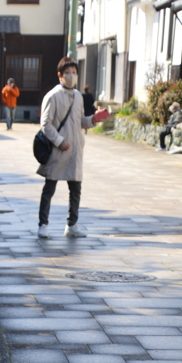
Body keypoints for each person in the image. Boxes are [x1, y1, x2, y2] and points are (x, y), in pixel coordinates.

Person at [36, 57, 110, 238]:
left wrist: (94, 119)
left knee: (75, 189)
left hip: (75, 149)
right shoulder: (52, 96)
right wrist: (59, 141)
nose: (72, 76)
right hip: (57, 149)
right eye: (68, 73)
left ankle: (72, 224)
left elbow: (80, 122)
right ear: (60, 75)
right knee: (49, 187)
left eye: (75, 73)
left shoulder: (78, 96)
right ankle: (43, 224)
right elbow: (45, 124)